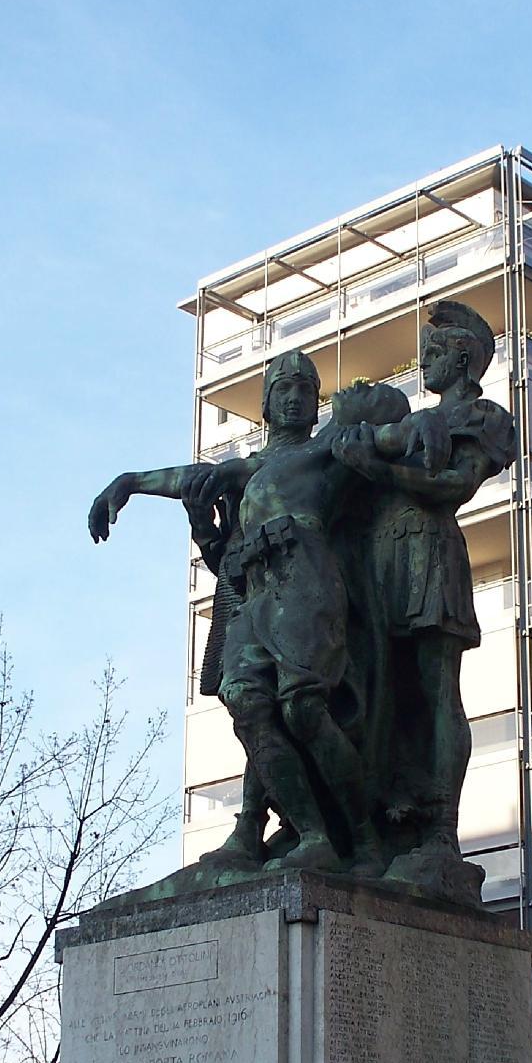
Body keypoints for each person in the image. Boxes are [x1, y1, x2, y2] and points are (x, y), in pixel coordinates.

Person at [88, 351, 396, 876]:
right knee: (248, 706)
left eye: (306, 388)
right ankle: (312, 835)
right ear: (266, 404)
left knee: (301, 707)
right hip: (254, 590)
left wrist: (366, 410)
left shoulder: (328, 448)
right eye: (285, 388)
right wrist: (132, 481)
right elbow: (201, 475)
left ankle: (362, 841)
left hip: (305, 577)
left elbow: (392, 414)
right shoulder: (251, 468)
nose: (296, 396)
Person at [330, 300, 515, 891]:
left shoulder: (483, 417)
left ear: (463, 357)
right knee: (386, 688)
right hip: (381, 558)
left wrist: (376, 468)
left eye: (434, 353)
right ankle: (386, 817)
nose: (423, 363)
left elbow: (452, 487)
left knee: (437, 694)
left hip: (429, 552)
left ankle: (440, 832)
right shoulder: (405, 424)